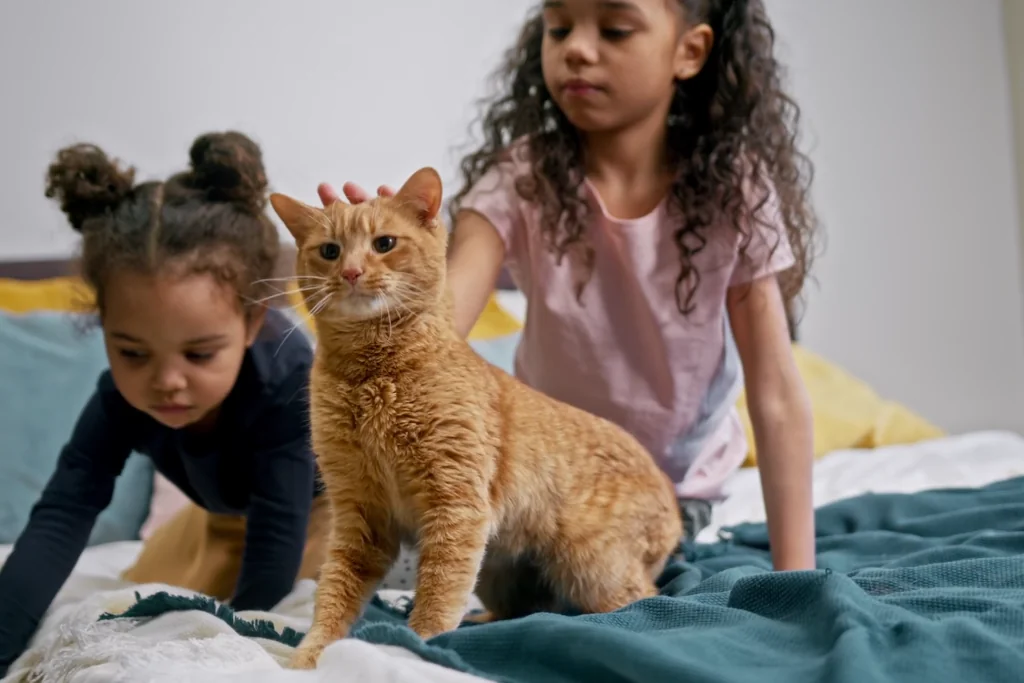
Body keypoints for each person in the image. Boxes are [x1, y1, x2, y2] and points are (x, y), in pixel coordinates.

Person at [321, 0, 818, 570]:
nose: (576, 49)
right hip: (535, 482)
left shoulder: (736, 191)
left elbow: (777, 394)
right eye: (558, 29)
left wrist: (796, 577)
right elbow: (440, 325)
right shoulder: (519, 180)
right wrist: (385, 272)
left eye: (614, 29)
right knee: (382, 570)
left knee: (596, 581)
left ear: (690, 51)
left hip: (664, 495)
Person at [0, 131, 326, 672]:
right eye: (132, 352)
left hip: (320, 509)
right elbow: (62, 514)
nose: (165, 382)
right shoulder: (118, 400)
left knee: (295, 607)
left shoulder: (286, 383)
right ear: (106, 326)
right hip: (224, 515)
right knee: (142, 590)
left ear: (249, 323)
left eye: (198, 355)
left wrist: (229, 651)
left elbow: (275, 537)